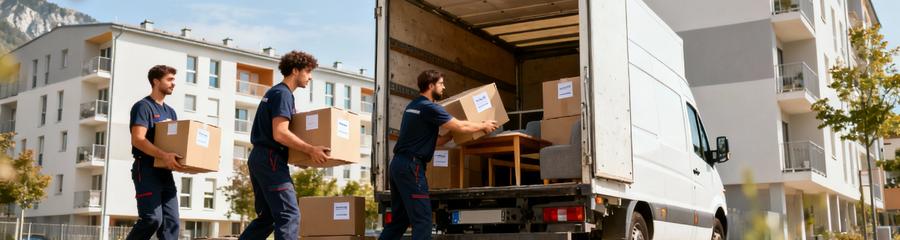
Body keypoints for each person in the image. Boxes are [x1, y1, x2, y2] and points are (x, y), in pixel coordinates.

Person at [379, 70, 499, 240]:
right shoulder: (430, 107)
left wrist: (450, 136)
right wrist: (483, 125)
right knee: (423, 220)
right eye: (441, 84)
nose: (444, 87)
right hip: (412, 168)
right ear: (431, 86)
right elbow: (461, 126)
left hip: (398, 165)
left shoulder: (412, 106)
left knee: (400, 220)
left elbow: (433, 141)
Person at [239, 50, 331, 240]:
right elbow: (280, 133)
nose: (310, 77)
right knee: (289, 215)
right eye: (308, 71)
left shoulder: (274, 92)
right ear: (295, 70)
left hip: (260, 158)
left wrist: (299, 158)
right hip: (270, 160)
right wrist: (310, 150)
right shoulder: (283, 94)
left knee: (268, 218)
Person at [127, 65, 184, 240]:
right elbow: (138, 139)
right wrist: (164, 156)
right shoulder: (143, 107)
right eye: (169, 79)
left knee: (171, 223)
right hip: (145, 169)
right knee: (152, 219)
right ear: (156, 81)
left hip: (165, 172)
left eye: (174, 80)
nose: (173, 83)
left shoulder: (171, 112)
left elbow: (174, 144)